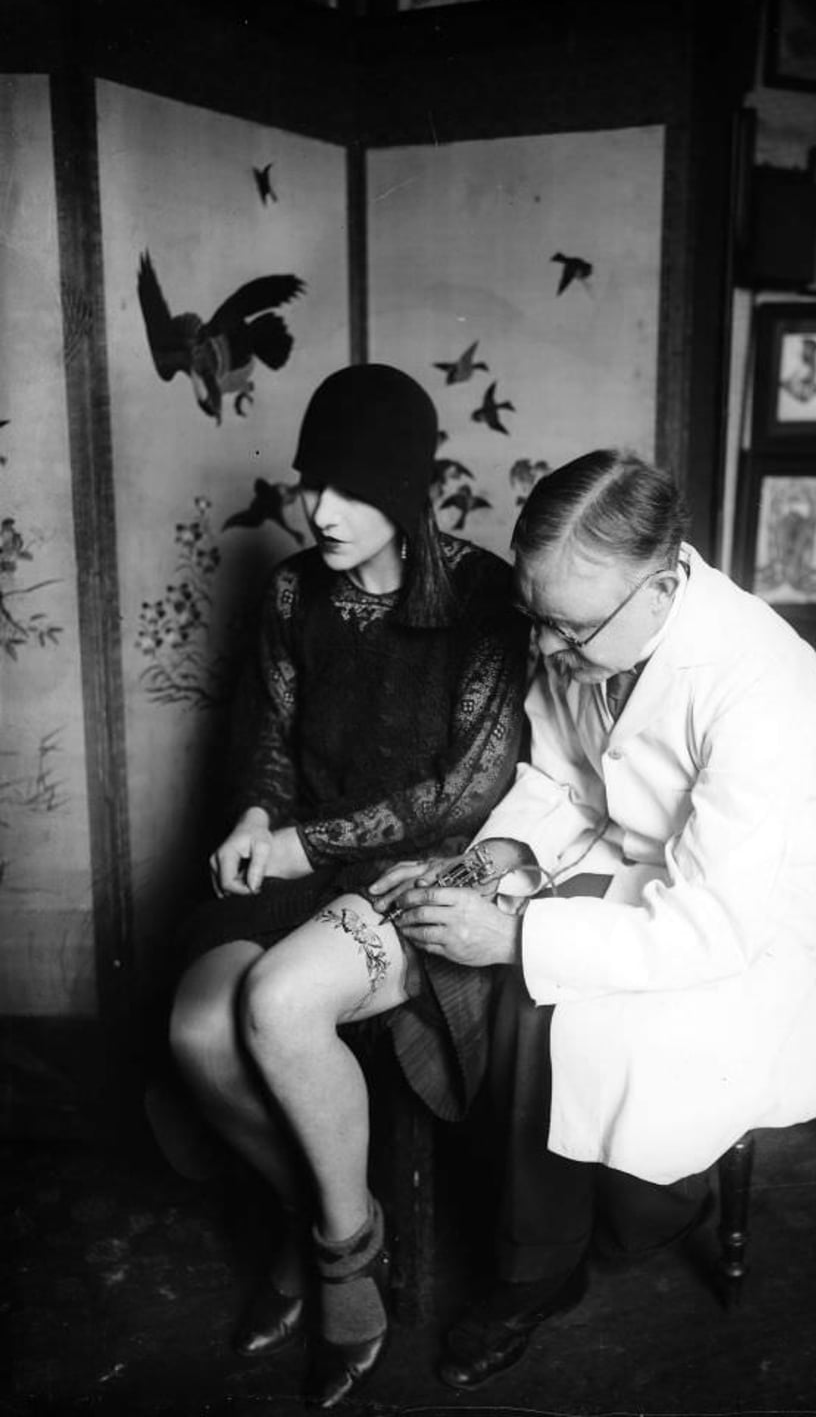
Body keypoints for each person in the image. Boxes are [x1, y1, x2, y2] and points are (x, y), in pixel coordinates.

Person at [373, 448, 816, 1388]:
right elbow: (562, 777)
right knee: (487, 968)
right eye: (536, 618)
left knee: (542, 995)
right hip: (641, 855)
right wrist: (498, 856)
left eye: (566, 629)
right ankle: (554, 1219)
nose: (547, 649)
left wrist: (522, 934)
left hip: (754, 918)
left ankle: (556, 1259)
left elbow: (714, 921)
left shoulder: (759, 678)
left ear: (660, 588)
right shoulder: (588, 627)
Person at [168, 363, 529, 1409]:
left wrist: (301, 842)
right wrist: (252, 816)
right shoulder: (290, 589)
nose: (322, 511)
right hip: (298, 861)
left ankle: (340, 1272)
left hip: (415, 875)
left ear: (411, 491)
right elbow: (270, 748)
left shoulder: (485, 597)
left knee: (275, 1006)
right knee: (196, 1035)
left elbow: (463, 791)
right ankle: (331, 1212)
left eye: (354, 489)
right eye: (310, 482)